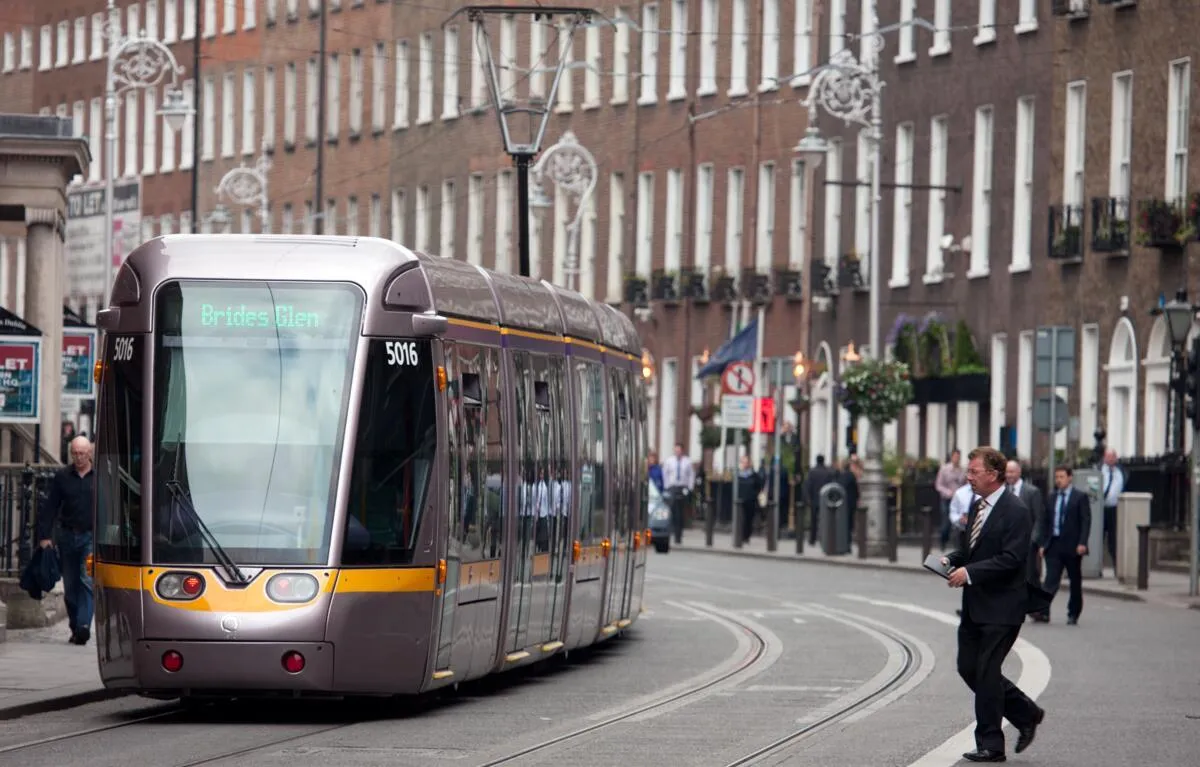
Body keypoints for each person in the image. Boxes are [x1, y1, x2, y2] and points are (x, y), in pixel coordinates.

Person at [942, 446, 1044, 763]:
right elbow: (971, 550)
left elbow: (1012, 559)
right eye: (968, 471)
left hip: (1002, 607)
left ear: (994, 474)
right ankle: (1026, 712)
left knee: (987, 673)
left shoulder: (1016, 511)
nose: (968, 477)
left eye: (974, 472)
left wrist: (969, 573)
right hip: (975, 605)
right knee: (968, 668)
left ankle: (990, 744)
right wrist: (949, 559)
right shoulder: (977, 506)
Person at [36, 435, 97, 646]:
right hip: (67, 536)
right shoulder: (62, 476)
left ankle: (83, 626)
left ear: (89, 453)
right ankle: (75, 626)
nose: (79, 457)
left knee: (87, 581)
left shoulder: (99, 477)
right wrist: (44, 536)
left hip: (91, 536)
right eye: (75, 453)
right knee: (70, 586)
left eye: (82, 453)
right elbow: (50, 506)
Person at [1035, 465, 1091, 625]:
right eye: (1057, 477)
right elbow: (1045, 521)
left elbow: (1085, 521)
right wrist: (1043, 543)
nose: (1058, 480)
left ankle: (1073, 613)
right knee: (1050, 580)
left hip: (1073, 546)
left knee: (1075, 581)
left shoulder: (1079, 497)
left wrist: (1082, 542)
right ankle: (1043, 611)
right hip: (1054, 544)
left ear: (1069, 478)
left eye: (1061, 477)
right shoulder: (1052, 497)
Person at [1005, 460, 1047, 586]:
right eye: (1007, 472)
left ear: (1019, 472)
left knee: (1030, 576)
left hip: (1027, 542)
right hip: (1009, 542)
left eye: (1011, 472)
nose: (1008, 475)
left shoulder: (1032, 492)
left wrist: (1033, 540)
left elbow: (1039, 518)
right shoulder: (1004, 491)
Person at [1100, 449, 1124, 575]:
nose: (1110, 459)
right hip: (1101, 509)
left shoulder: (1120, 472)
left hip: (1114, 509)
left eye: (1113, 457)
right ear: (1104, 458)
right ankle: (1097, 567)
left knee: (1113, 540)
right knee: (1099, 539)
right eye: (1108, 457)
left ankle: (1117, 567)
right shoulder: (1099, 471)